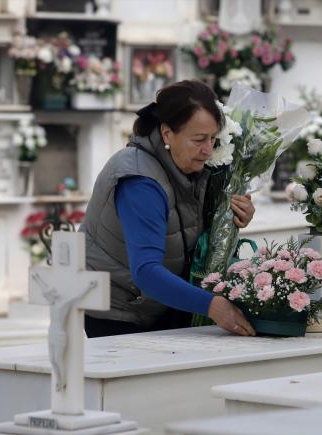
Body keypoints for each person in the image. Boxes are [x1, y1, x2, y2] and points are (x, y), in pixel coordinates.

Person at [81, 80, 255, 338]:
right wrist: (212, 306)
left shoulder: (192, 166)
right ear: (167, 133)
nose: (208, 150)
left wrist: (235, 214)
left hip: (163, 307)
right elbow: (146, 271)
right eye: (198, 139)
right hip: (121, 315)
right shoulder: (139, 181)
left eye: (213, 139)